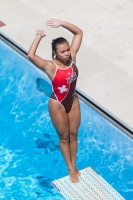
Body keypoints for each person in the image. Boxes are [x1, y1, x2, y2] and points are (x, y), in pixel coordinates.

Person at [28, 19, 83, 183]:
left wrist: (62, 23)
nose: (67, 53)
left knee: (74, 134)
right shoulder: (50, 66)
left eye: (67, 50)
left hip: (73, 100)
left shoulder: (72, 57)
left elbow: (79, 33)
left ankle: (74, 165)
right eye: (63, 52)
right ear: (55, 53)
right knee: (64, 137)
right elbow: (31, 55)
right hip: (58, 104)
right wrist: (39, 36)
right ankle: (69, 168)